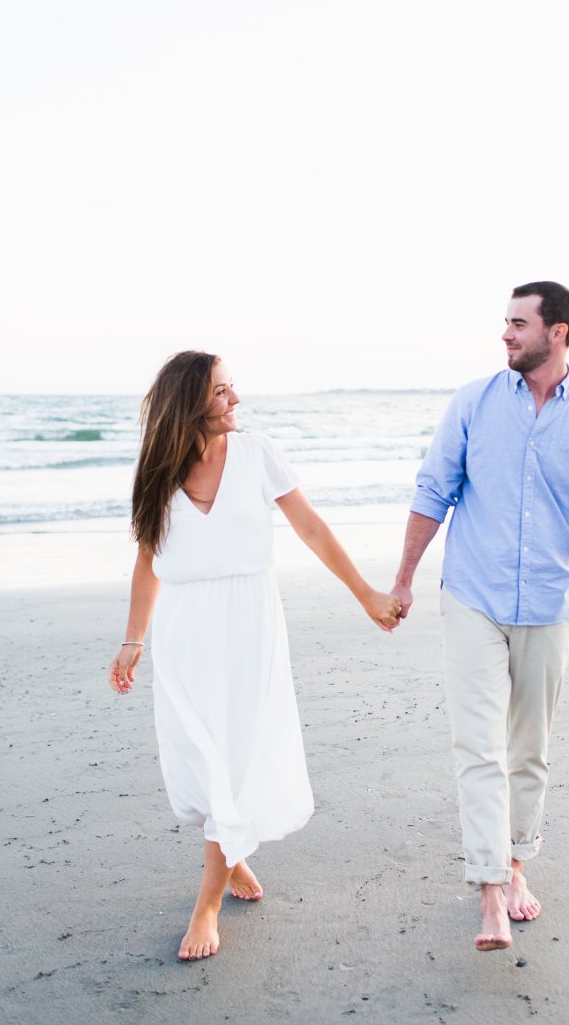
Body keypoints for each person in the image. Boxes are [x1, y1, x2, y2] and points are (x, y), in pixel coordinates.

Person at [108, 351, 401, 961]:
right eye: (220, 391)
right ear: (189, 403)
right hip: (186, 633)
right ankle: (232, 852)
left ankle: (207, 904)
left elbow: (312, 529)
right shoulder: (157, 474)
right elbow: (147, 562)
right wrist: (134, 639)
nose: (235, 398)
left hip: (250, 625)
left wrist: (366, 593)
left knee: (234, 759)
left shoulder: (258, 453)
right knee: (200, 758)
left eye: (231, 387)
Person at [391, 282, 569, 951]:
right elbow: (434, 489)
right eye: (504, 322)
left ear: (558, 333)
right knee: (479, 746)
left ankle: (517, 864)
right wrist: (405, 579)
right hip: (472, 594)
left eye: (518, 324)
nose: (505, 334)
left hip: (550, 605)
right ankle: (491, 892)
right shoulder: (472, 402)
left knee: (530, 751)